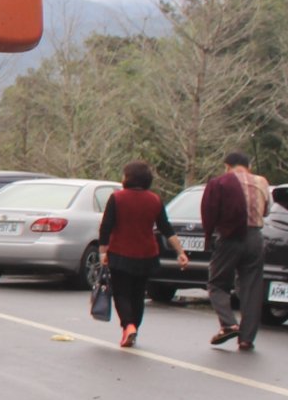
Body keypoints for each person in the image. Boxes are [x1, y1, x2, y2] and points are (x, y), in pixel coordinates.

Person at [98, 160, 189, 348]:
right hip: (147, 254)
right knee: (138, 294)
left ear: (128, 178)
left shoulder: (117, 198)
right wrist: (180, 252)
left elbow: (105, 227)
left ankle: (128, 326)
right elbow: (166, 228)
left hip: (120, 253)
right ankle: (134, 330)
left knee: (121, 293)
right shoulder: (154, 199)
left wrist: (102, 252)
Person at [200, 149, 271, 351]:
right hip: (255, 237)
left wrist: (210, 236)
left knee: (217, 283)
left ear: (228, 166)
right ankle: (247, 339)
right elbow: (267, 210)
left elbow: (210, 210)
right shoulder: (262, 182)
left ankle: (228, 323)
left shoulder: (222, 182)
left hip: (230, 237)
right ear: (249, 166)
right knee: (251, 287)